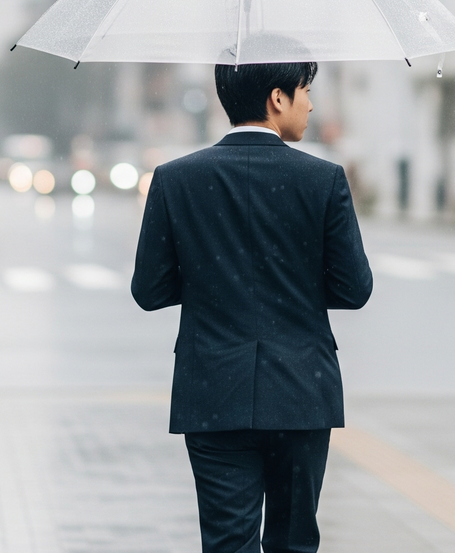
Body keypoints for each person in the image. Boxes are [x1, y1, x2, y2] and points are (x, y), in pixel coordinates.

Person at [131, 51, 372, 553]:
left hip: (213, 391)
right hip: (302, 393)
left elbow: (149, 291)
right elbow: (354, 289)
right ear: (277, 98)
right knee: (293, 543)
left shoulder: (175, 179)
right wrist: (297, 282)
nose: (310, 104)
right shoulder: (323, 180)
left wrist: (209, 279)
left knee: (227, 544)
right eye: (305, 91)